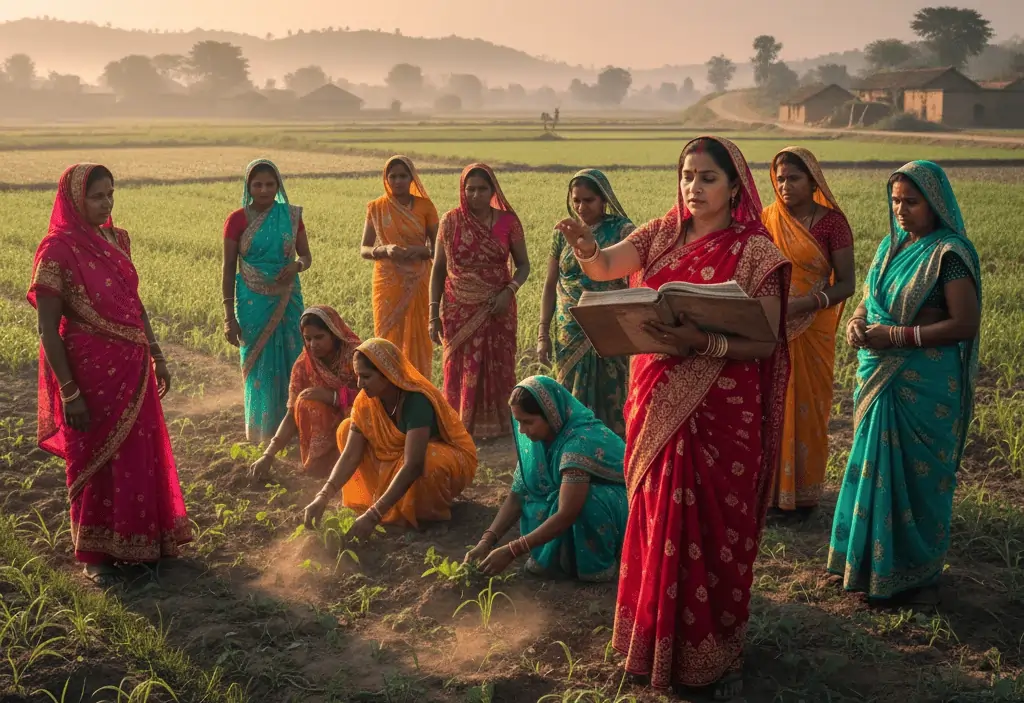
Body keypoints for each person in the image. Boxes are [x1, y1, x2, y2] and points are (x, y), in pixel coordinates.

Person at [555, 136, 791, 700]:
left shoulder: (757, 250)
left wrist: (701, 342)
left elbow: (763, 342)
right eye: (687, 176)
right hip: (656, 398)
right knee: (657, 517)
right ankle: (649, 643)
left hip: (722, 409)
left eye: (707, 177)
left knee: (713, 528)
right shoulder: (661, 232)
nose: (694, 187)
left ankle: (715, 653)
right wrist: (588, 248)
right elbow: (610, 265)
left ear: (735, 184)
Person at [28, 164, 191, 587]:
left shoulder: (118, 240)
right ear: (74, 198)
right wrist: (69, 392)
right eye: (97, 196)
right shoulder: (56, 252)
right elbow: (48, 328)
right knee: (93, 456)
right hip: (89, 371)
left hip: (133, 367)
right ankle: (96, 555)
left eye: (111, 195)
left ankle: (144, 542)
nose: (106, 203)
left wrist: (157, 353)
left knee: (140, 452)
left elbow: (134, 305)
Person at [828, 161, 981, 606]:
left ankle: (916, 573)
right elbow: (868, 300)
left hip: (924, 385)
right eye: (895, 201)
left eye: (911, 202)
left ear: (935, 203)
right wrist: (857, 323)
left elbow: (964, 324)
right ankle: (867, 567)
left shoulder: (948, 255)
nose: (901, 210)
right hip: (879, 375)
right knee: (871, 468)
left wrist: (896, 336)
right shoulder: (890, 246)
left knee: (916, 480)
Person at [302, 338, 477, 541]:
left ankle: (432, 517)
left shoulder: (416, 400)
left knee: (430, 461)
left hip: (441, 460)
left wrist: (374, 515)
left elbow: (413, 464)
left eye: (366, 376)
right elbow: (350, 456)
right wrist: (322, 496)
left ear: (387, 374)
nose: (359, 384)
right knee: (345, 430)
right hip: (397, 461)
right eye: (358, 376)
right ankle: (386, 503)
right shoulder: (366, 401)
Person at [762, 147, 856, 517]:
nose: (785, 185)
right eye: (780, 178)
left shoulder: (833, 223)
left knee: (809, 409)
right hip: (771, 327)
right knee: (770, 407)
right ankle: (770, 496)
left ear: (813, 180)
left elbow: (846, 283)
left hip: (813, 327)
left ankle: (803, 496)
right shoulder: (766, 219)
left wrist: (807, 303)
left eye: (794, 178)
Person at [464, 376, 628, 581]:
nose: (522, 430)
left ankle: (600, 563)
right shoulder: (537, 441)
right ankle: (561, 557)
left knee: (585, 502)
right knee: (538, 500)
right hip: (569, 501)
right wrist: (486, 542)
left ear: (550, 415)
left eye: (528, 422)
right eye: (519, 422)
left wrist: (512, 550)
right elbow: (517, 497)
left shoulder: (579, 442)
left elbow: (567, 512)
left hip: (616, 505)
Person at [429, 163, 530, 439]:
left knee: (498, 361)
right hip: (457, 305)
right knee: (460, 365)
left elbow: (523, 266)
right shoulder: (450, 222)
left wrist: (509, 291)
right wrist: (432, 314)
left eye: (482, 189)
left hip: (499, 304)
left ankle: (499, 425)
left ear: (493, 190)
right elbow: (438, 270)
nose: (476, 195)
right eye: (469, 189)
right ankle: (460, 424)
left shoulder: (509, 222)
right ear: (462, 190)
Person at [538, 169, 634, 435]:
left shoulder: (622, 230)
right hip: (569, 329)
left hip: (608, 326)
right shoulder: (563, 233)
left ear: (603, 199)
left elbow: (636, 278)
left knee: (611, 393)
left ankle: (612, 452)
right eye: (576, 200)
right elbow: (551, 283)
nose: (581, 207)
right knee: (569, 395)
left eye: (589, 200)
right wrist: (542, 332)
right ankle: (573, 451)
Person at [222, 159, 309, 443]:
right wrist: (228, 316)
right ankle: (262, 430)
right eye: (257, 184)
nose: (264, 190)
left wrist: (296, 266)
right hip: (252, 301)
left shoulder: (291, 216)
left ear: (278, 186)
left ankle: (294, 427)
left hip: (288, 296)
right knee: (259, 362)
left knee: (293, 357)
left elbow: (306, 257)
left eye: (270, 184)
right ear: (248, 187)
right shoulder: (237, 220)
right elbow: (228, 267)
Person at [248, 306, 361, 480]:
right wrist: (268, 454)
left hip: (357, 429)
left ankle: (356, 466)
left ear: (334, 333)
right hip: (328, 427)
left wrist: (335, 397)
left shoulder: (356, 357)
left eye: (319, 337)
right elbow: (291, 414)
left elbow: (373, 396)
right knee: (303, 401)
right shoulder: (303, 366)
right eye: (307, 339)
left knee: (354, 413)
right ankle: (321, 466)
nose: (313, 345)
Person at [360, 155, 439, 377]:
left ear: (412, 178)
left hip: (419, 279)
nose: (398, 181)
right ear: (385, 178)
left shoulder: (425, 206)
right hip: (387, 281)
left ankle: (417, 383)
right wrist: (384, 250)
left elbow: (439, 247)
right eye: (392, 176)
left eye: (403, 176)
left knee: (418, 336)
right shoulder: (376, 207)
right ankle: (387, 381)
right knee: (387, 335)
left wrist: (419, 251)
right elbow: (364, 249)